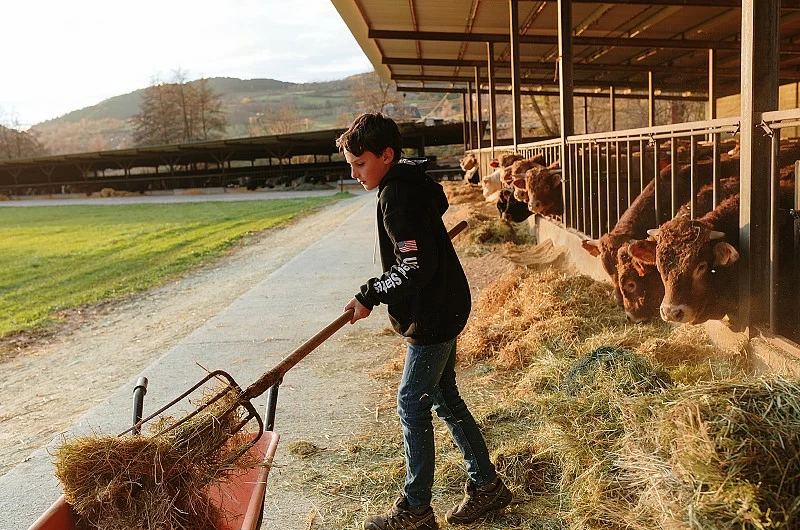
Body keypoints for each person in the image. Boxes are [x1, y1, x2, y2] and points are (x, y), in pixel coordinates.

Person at [336, 113, 512, 530]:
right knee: (444, 397)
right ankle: (487, 487)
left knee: (411, 403)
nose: (354, 173)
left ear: (386, 155)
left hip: (433, 314)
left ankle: (415, 510)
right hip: (446, 304)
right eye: (351, 164)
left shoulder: (397, 196)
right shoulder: (409, 185)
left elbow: (413, 267)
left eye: (360, 163)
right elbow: (420, 253)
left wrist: (370, 294)